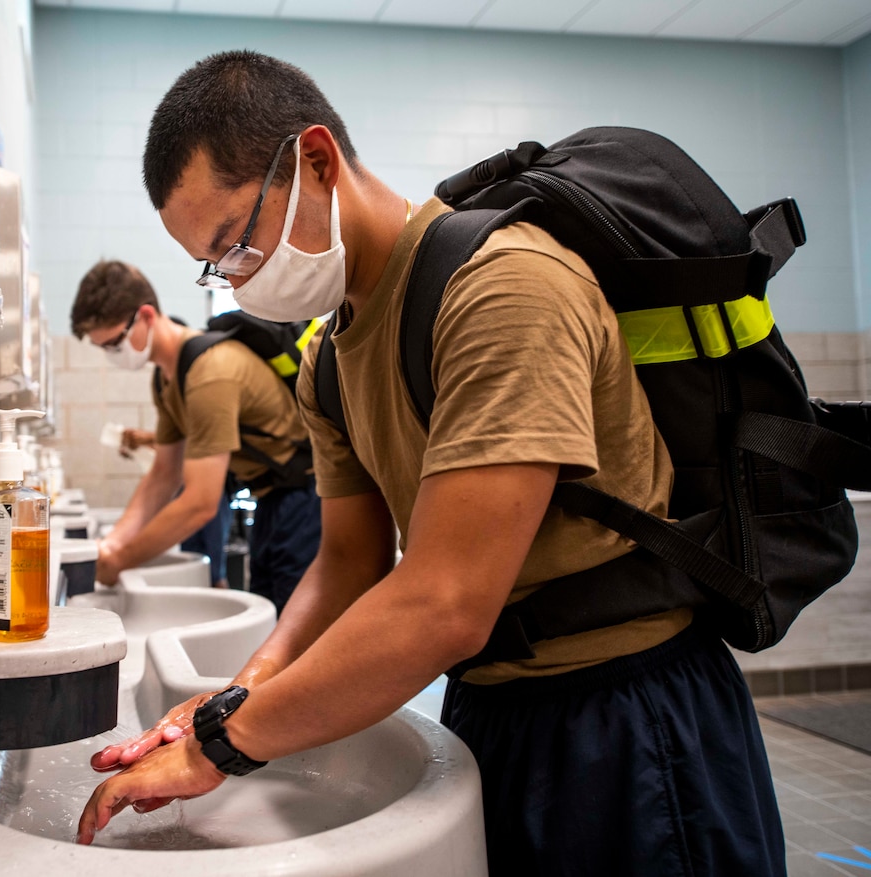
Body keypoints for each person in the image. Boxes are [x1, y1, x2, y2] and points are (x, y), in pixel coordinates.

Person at [75, 51, 786, 877]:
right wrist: (244, 691)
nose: (236, 284)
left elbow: (447, 601)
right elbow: (346, 564)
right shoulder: (328, 362)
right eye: (216, 265)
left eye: (237, 244)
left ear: (314, 160)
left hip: (626, 718)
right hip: (491, 707)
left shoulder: (502, 285)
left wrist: (225, 744)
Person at [70, 259, 321, 614]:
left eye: (114, 344)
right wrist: (110, 546)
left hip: (310, 497)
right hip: (273, 497)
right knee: (271, 614)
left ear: (145, 316)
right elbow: (164, 475)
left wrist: (122, 559)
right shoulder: (167, 378)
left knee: (292, 623)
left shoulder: (209, 372)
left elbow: (200, 502)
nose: (113, 356)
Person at [120, 427, 232, 589]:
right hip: (187, 486)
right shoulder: (176, 411)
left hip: (209, 485)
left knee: (214, 570)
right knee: (194, 563)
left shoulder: (199, 407)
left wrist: (150, 439)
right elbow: (176, 451)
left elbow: (199, 439)